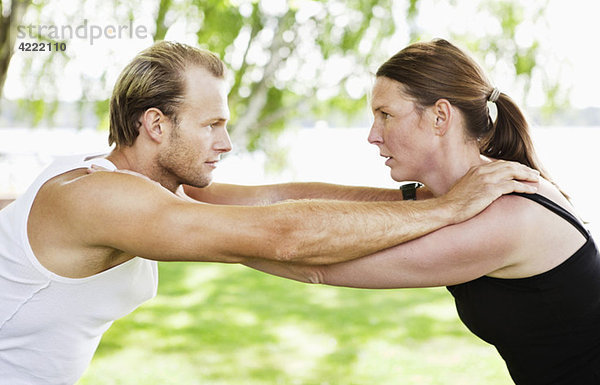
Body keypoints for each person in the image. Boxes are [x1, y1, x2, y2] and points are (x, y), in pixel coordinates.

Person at [0, 41, 538, 385]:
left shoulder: (136, 187)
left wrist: (421, 200)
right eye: (211, 125)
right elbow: (283, 235)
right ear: (156, 125)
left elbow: (278, 198)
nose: (227, 142)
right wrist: (448, 209)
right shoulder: (105, 199)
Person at [228, 39, 600, 384]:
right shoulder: (459, 197)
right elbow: (299, 196)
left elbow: (318, 263)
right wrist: (189, 192)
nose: (372, 134)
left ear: (440, 117)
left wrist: (192, 232)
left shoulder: (509, 217)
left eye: (386, 114)